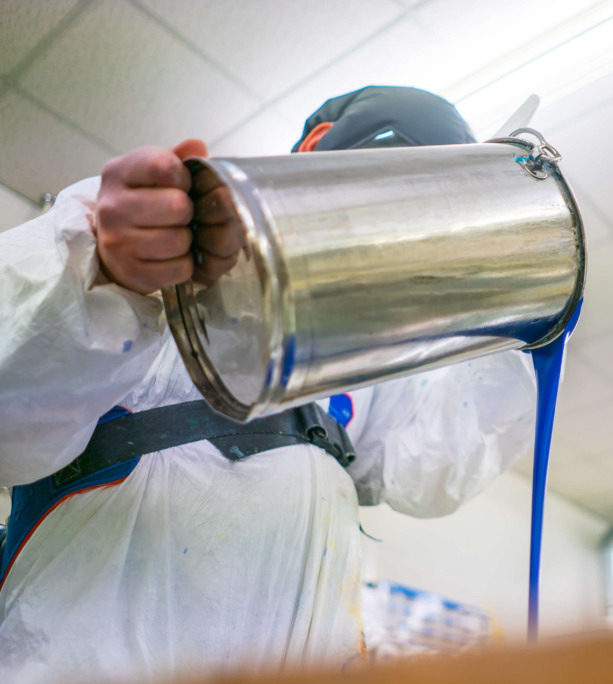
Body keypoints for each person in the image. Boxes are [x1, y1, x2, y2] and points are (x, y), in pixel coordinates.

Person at [0, 86, 537, 682]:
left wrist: (505, 319)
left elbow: (435, 472)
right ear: (313, 152)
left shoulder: (377, 353)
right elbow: (10, 412)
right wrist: (105, 274)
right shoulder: (148, 232)